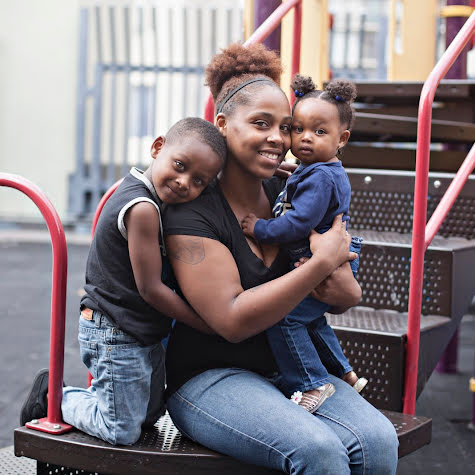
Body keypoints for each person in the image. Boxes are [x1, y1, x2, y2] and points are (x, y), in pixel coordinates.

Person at [163, 43, 398, 474]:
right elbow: (232, 321)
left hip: (288, 370)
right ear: (223, 125)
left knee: (378, 442)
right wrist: (320, 265)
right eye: (260, 123)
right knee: (319, 452)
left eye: (286, 127)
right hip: (212, 375)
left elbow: (342, 289)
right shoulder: (191, 212)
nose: (279, 138)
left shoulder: (290, 192)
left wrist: (347, 288)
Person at [20, 117, 226, 446]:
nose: (184, 182)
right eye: (179, 165)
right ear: (157, 147)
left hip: (141, 330)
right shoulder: (142, 207)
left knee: (149, 416)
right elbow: (151, 289)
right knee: (121, 429)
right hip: (114, 330)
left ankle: (104, 398)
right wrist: (206, 323)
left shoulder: (161, 199)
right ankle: (54, 397)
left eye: (199, 181)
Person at [240, 74, 367, 413]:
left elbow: (299, 222)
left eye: (320, 132)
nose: (306, 138)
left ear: (342, 139)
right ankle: (346, 373)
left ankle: (312, 382)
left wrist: (261, 229)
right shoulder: (315, 170)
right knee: (312, 320)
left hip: (330, 259)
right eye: (298, 129)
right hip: (324, 257)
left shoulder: (322, 176)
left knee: (286, 319)